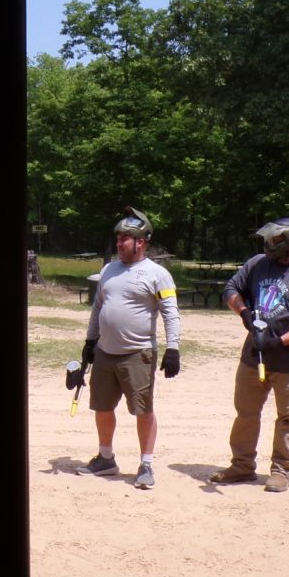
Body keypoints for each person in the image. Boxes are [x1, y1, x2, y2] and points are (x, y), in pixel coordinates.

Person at [209, 217, 289, 493]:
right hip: (253, 358)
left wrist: (278, 342)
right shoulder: (257, 264)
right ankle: (242, 465)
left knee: (287, 418)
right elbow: (231, 289)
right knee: (246, 414)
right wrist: (245, 314)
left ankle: (281, 471)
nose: (269, 245)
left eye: (275, 240)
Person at [77, 208, 181, 491]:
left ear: (141, 242)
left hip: (138, 353)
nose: (119, 243)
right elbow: (98, 307)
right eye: (118, 238)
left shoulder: (157, 274)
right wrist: (90, 341)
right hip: (104, 352)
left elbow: (171, 313)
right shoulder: (109, 270)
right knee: (101, 407)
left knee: (143, 410)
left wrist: (173, 348)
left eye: (125, 239)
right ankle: (105, 458)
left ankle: (146, 464)